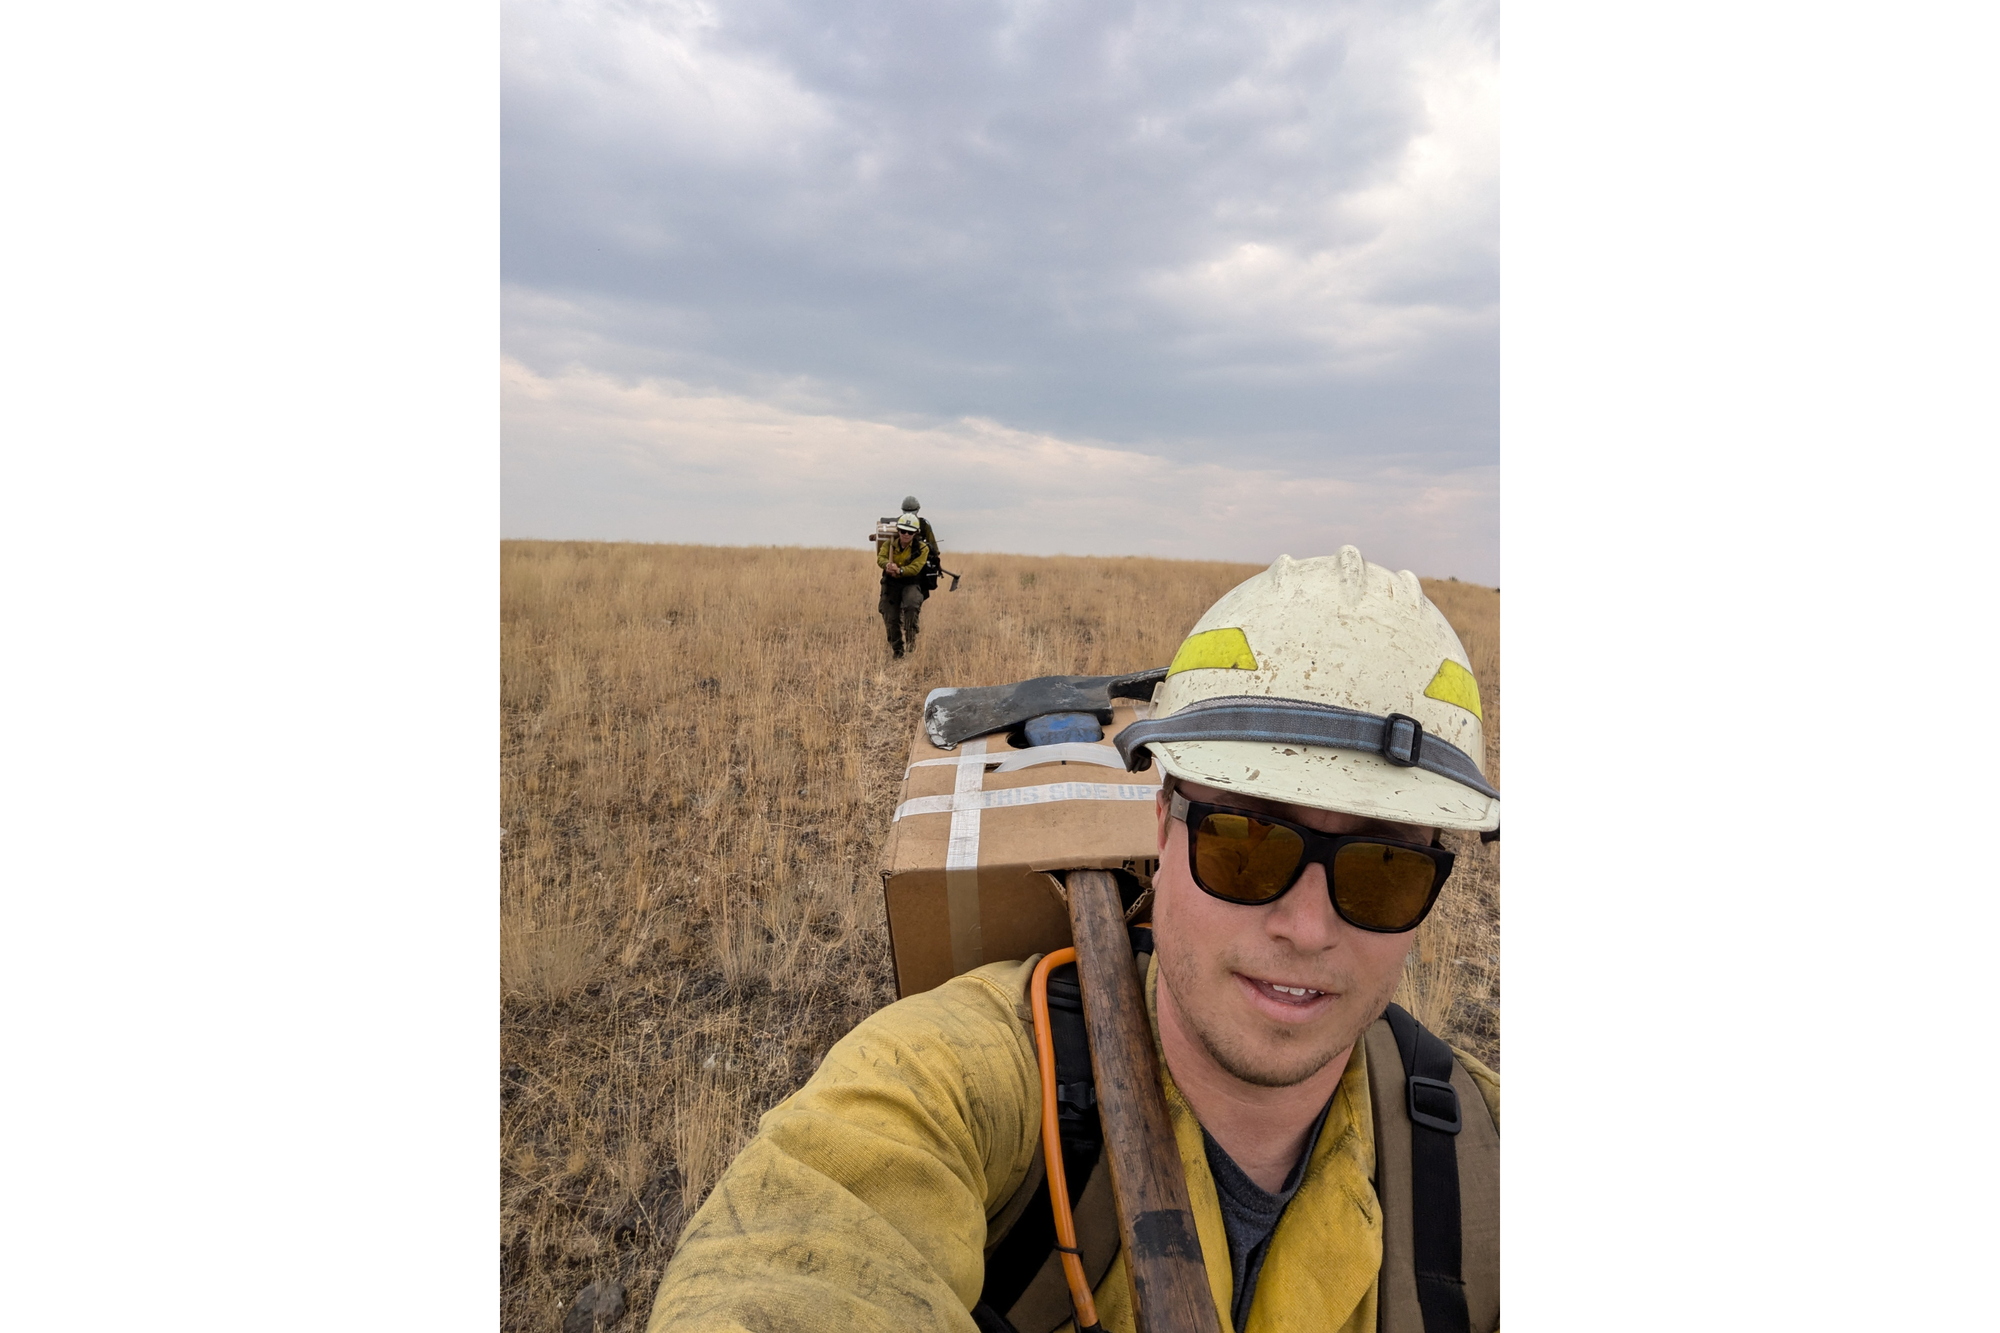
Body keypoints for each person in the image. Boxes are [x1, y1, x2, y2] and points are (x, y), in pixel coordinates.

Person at [648, 548, 1500, 1333]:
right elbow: (794, 1261)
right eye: (1247, 844)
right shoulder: (952, 1083)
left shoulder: (1485, 1159)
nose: (1308, 927)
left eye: (1383, 869)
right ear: (1162, 826)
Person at [878, 513, 930, 657]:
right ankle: (898, 651)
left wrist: (899, 570)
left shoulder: (922, 548)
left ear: (915, 533)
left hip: (911, 582)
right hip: (891, 583)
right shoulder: (889, 544)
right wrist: (887, 565)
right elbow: (880, 558)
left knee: (912, 607)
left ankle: (911, 643)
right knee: (890, 616)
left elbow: (916, 568)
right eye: (903, 531)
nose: (906, 534)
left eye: (910, 532)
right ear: (898, 530)